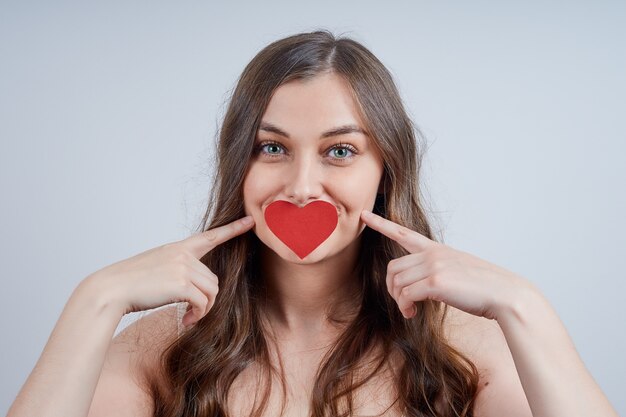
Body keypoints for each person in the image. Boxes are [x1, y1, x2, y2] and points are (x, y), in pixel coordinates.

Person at [7, 30, 618, 417]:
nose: (301, 187)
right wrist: (95, 299)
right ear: (238, 166)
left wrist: (524, 305)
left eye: (340, 151)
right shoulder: (158, 350)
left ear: (386, 170)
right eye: (271, 148)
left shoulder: (463, 350)